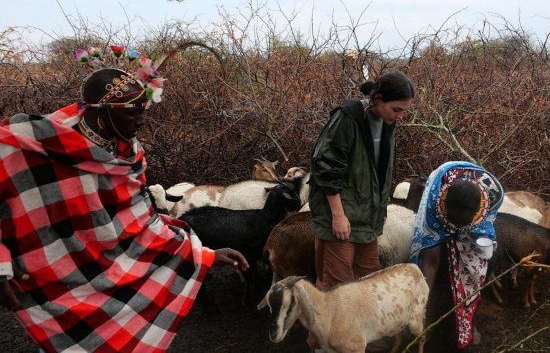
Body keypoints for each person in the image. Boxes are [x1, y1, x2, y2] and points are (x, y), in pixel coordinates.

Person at [0, 49, 248, 352]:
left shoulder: (127, 153)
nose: (142, 119)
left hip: (114, 277)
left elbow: (142, 222)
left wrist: (202, 255)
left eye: (144, 108)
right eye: (132, 111)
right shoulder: (28, 147)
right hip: (54, 278)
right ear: (99, 112)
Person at [307, 72, 415, 346]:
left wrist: (379, 212)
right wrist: (338, 216)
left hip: (367, 218)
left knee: (368, 282)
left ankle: (358, 339)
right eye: (396, 109)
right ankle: (323, 344)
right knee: (337, 286)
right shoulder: (347, 118)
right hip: (342, 217)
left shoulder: (387, 122)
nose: (400, 116)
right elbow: (325, 167)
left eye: (404, 111)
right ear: (378, 100)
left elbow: (378, 171)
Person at [410, 161, 504, 352]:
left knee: (476, 266)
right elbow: (431, 261)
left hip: (475, 219)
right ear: (445, 205)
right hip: (441, 195)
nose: (457, 227)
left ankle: (468, 319)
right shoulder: (434, 202)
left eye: (462, 222)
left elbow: (480, 241)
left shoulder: (494, 197)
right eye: (453, 221)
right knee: (431, 256)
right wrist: (422, 307)